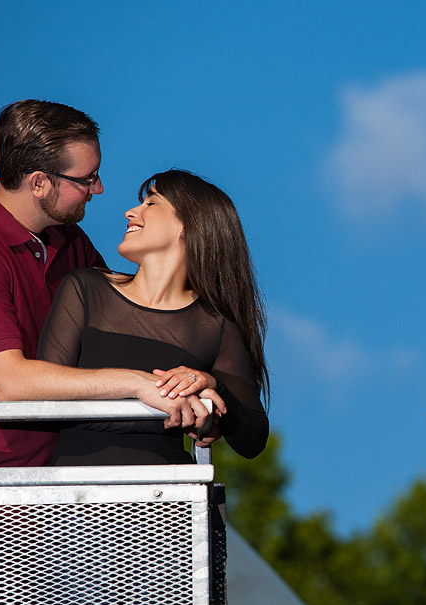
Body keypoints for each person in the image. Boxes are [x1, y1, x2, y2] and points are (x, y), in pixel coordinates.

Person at [0, 100, 198, 469]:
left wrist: (195, 378)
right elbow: (10, 383)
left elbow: (134, 327)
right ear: (39, 183)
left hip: (59, 482)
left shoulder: (70, 241)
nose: (99, 188)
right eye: (87, 178)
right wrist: (138, 384)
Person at [37, 169, 269, 464]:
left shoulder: (215, 326)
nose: (131, 212)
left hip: (167, 503)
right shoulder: (85, 288)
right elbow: (45, 392)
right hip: (76, 499)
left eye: (151, 203)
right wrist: (140, 389)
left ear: (188, 224)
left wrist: (211, 386)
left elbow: (254, 437)